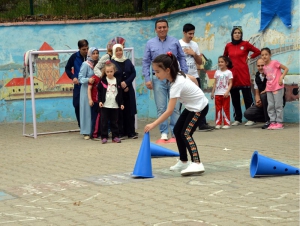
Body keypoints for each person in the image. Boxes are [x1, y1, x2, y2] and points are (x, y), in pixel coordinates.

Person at [144, 52, 209, 176]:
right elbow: (193, 79)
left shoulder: (176, 85)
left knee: (186, 133)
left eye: (157, 71)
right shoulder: (177, 75)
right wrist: (196, 91)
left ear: (167, 70)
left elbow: (168, 111)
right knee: (178, 130)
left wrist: (153, 124)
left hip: (199, 108)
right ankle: (184, 161)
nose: (155, 74)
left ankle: (197, 163)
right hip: (192, 106)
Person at [142, 18, 188, 142]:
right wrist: (147, 78)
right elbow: (146, 62)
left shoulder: (174, 42)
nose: (162, 29)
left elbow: (182, 57)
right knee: (161, 107)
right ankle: (163, 133)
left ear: (167, 28)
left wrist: (185, 73)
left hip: (174, 79)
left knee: (175, 107)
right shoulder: (150, 43)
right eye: (159, 27)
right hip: (158, 80)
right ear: (155, 29)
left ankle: (176, 132)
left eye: (164, 27)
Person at [179, 23, 214, 132]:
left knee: (199, 98)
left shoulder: (194, 45)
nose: (191, 36)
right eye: (189, 33)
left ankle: (202, 123)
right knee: (179, 101)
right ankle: (178, 125)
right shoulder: (178, 44)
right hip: (182, 77)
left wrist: (194, 54)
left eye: (193, 33)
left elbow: (200, 62)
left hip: (194, 75)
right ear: (184, 32)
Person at [223, 27, 260, 126]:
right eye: (235, 33)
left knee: (247, 97)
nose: (237, 34)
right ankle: (238, 119)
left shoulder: (246, 44)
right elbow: (224, 57)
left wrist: (249, 57)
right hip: (232, 75)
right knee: (235, 98)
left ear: (241, 35)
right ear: (232, 34)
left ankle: (251, 118)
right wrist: (225, 70)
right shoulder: (228, 46)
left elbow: (257, 51)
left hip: (243, 74)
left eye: (239, 33)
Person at [111, 44, 138, 139]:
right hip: (118, 90)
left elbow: (133, 73)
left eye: (120, 50)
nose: (119, 53)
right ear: (114, 52)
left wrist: (126, 83)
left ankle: (131, 132)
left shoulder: (127, 61)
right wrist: (121, 84)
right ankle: (120, 132)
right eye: (117, 51)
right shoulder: (112, 62)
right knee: (119, 110)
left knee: (130, 110)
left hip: (129, 89)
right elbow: (110, 75)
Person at [261, 47, 288, 130]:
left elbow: (286, 69)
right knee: (271, 106)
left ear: (270, 55)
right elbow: (269, 78)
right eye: (262, 55)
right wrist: (266, 88)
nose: (264, 56)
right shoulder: (264, 67)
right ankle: (272, 122)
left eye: (266, 54)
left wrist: (281, 77)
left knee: (278, 105)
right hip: (269, 89)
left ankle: (279, 123)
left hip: (277, 87)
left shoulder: (275, 63)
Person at [98, 61, 124, 144]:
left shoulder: (117, 81)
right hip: (105, 105)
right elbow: (100, 92)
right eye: (107, 72)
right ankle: (104, 137)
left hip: (114, 105)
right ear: (105, 72)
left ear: (114, 71)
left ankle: (115, 137)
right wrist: (100, 101)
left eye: (111, 71)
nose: (109, 73)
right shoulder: (103, 81)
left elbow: (120, 94)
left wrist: (121, 103)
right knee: (104, 122)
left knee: (114, 122)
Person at [65, 39, 89, 127]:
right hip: (78, 86)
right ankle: (81, 125)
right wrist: (73, 77)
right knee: (77, 105)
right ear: (79, 48)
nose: (86, 51)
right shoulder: (74, 57)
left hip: (89, 86)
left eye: (87, 48)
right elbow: (67, 69)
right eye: (83, 49)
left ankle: (91, 126)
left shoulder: (91, 56)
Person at [78, 47, 99, 140]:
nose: (95, 55)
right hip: (86, 90)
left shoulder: (98, 64)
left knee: (95, 111)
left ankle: (94, 131)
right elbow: (80, 78)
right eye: (93, 53)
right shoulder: (85, 64)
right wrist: (88, 79)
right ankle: (86, 132)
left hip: (96, 91)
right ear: (89, 54)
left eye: (97, 53)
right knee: (86, 111)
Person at [244, 59, 270, 129]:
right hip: (263, 102)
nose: (260, 67)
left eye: (262, 65)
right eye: (258, 66)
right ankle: (268, 118)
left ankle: (269, 120)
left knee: (264, 96)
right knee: (247, 114)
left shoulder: (270, 74)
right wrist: (258, 101)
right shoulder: (257, 77)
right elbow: (256, 93)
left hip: (273, 102)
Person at [211, 56, 233, 129]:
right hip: (217, 94)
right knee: (218, 109)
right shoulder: (217, 72)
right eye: (219, 62)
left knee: (226, 108)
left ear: (226, 63)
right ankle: (218, 123)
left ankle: (227, 123)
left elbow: (230, 83)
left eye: (222, 62)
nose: (220, 63)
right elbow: (215, 83)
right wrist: (212, 92)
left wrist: (227, 91)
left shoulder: (229, 72)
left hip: (225, 94)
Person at [88, 72, 101, 140]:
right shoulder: (94, 78)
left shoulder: (104, 78)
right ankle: (93, 134)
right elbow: (89, 88)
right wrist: (90, 99)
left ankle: (99, 133)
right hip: (94, 101)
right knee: (95, 118)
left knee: (101, 118)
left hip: (101, 102)